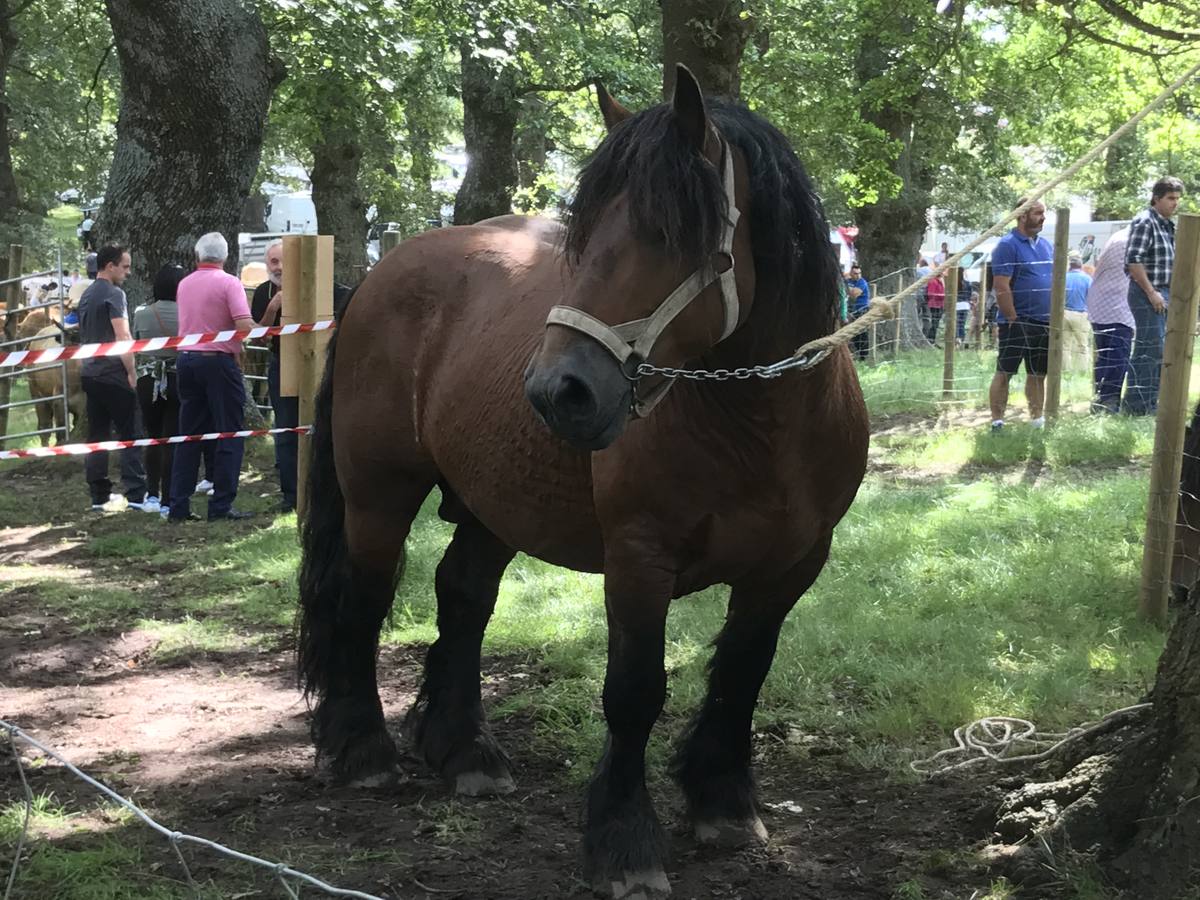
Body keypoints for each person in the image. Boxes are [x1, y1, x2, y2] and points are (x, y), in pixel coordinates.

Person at [168, 232, 256, 522]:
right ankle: (221, 505)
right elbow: (243, 326)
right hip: (217, 362)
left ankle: (178, 505)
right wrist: (267, 328)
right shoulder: (229, 283)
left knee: (189, 435)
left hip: (187, 361)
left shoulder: (184, 284)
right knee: (230, 432)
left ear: (197, 256)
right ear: (225, 257)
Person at [76, 244, 152, 512]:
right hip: (113, 374)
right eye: (125, 266)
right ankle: (136, 495)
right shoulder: (115, 294)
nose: (128, 272)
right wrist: (131, 371)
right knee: (131, 432)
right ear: (110, 266)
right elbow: (122, 336)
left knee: (97, 435)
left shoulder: (86, 295)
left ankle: (98, 495)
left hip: (90, 373)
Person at [989, 199, 1053, 431]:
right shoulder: (1007, 245)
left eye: (1043, 213)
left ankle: (1037, 420)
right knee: (1005, 371)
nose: (1043, 218)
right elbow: (1001, 286)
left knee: (1038, 373)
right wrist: (1013, 318)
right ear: (1022, 215)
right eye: (1038, 213)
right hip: (1017, 322)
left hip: (1044, 322)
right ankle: (997, 422)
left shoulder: (1046, 245)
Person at [1123, 176, 1184, 416]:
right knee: (1150, 348)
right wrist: (1151, 292)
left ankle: (1152, 404)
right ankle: (1137, 407)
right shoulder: (1145, 221)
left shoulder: (1168, 225)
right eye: (1170, 198)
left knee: (1161, 350)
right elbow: (1133, 260)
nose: (1175, 203)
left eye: (1177, 199)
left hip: (1166, 293)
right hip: (1147, 292)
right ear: (1156, 198)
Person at [133, 265, 187, 518]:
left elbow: (136, 344)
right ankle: (169, 498)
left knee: (152, 437)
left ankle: (150, 493)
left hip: (147, 380)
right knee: (172, 439)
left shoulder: (141, 313)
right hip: (177, 378)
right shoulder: (187, 313)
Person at [249, 240, 298, 512]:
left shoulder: (310, 285)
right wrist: (273, 307)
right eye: (273, 263)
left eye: (282, 261)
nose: (278, 268)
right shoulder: (263, 292)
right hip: (281, 363)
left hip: (315, 364)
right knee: (286, 429)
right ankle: (290, 495)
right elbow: (258, 334)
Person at [1085, 227, 1134, 414]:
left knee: (1106, 357)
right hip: (1117, 308)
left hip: (1102, 306)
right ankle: (1108, 403)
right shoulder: (1133, 241)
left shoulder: (1118, 236)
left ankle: (1100, 400)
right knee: (1117, 358)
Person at [1063, 252, 1093, 370]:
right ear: (1081, 265)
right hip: (1081, 314)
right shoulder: (1087, 279)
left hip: (1064, 313)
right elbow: (1091, 297)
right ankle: (1082, 369)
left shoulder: (1064, 278)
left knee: (1064, 345)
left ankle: (1065, 369)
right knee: (1082, 345)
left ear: (1070, 265)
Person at [844, 262, 871, 361]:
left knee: (862, 333)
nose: (858, 275)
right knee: (853, 333)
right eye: (855, 273)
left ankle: (864, 356)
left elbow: (854, 295)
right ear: (851, 273)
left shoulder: (862, 282)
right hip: (851, 310)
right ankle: (855, 353)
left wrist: (846, 288)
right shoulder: (848, 281)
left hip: (861, 310)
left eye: (859, 273)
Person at [923, 270, 945, 342]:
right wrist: (941, 296)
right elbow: (930, 294)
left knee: (936, 323)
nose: (943, 273)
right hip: (934, 305)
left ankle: (932, 339)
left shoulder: (940, 281)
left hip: (939, 304)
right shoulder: (933, 281)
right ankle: (930, 339)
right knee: (934, 323)